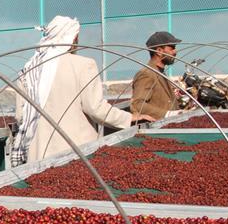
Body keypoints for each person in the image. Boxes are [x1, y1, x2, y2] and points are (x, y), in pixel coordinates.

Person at [11, 16, 153, 165]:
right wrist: (129, 118)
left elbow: (21, 116)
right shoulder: (83, 65)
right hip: (76, 154)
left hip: (38, 156)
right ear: (73, 38)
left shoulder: (29, 71)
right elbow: (95, 108)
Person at [130, 31, 185, 119]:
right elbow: (137, 105)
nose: (175, 52)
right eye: (172, 48)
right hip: (157, 128)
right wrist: (168, 114)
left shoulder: (160, 72)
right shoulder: (146, 74)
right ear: (159, 51)